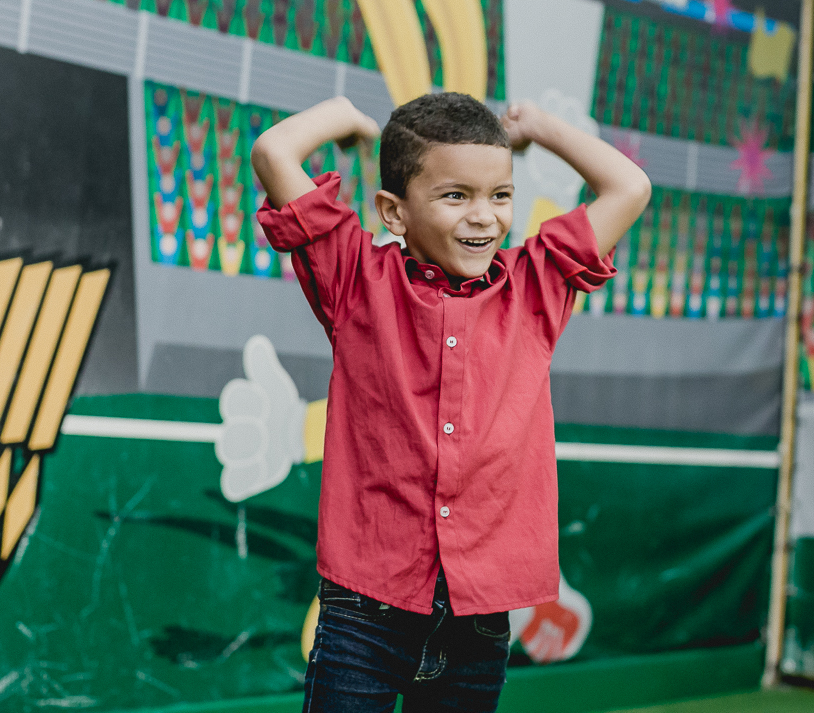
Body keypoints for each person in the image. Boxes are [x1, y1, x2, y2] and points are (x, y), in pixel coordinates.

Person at [252, 92, 651, 712]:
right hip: (365, 614)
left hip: (480, 623)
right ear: (394, 212)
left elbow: (629, 187)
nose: (484, 217)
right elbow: (274, 151)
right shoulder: (354, 279)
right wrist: (347, 117)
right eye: (456, 195)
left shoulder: (536, 287)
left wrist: (539, 127)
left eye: (501, 195)